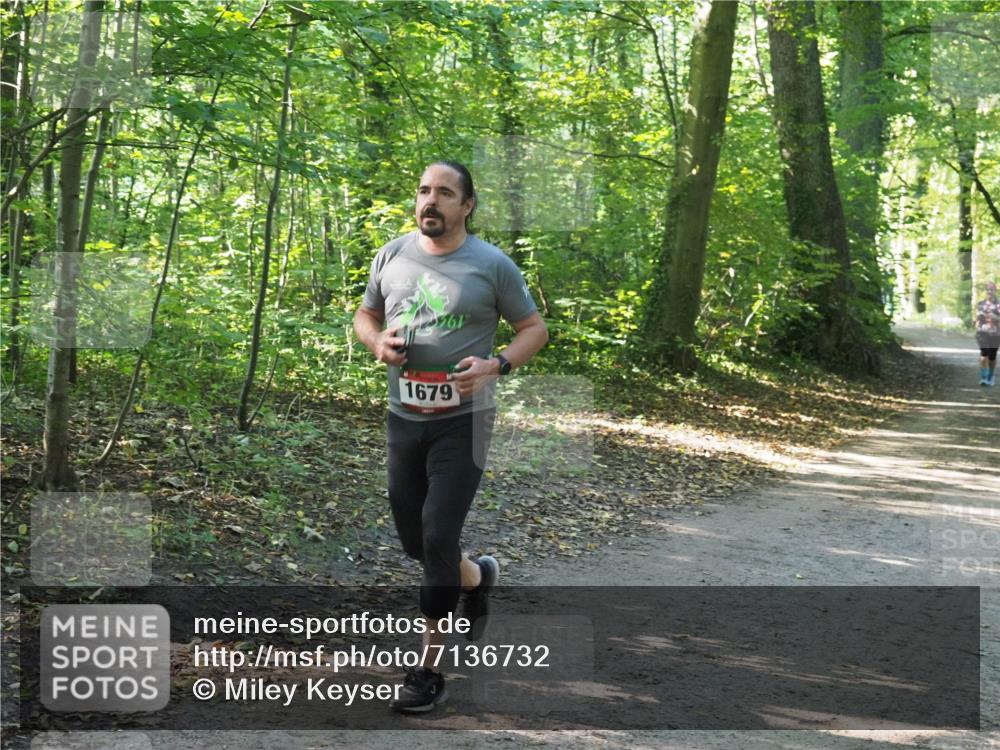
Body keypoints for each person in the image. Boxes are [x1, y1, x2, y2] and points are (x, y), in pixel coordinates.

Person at [353, 160, 548, 713]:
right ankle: (476, 577)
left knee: (438, 535)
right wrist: (376, 344)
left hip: (465, 422)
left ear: (466, 206)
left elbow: (534, 329)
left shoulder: (492, 265)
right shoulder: (391, 255)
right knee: (417, 542)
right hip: (403, 418)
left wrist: (496, 366)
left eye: (444, 193)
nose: (430, 201)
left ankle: (428, 670)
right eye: (423, 191)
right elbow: (365, 315)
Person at [976, 281, 1000, 386]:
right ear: (986, 291)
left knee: (992, 356)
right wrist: (977, 318)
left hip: (996, 333)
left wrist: (996, 318)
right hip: (982, 332)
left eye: (992, 290)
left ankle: (991, 377)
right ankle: (984, 378)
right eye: (988, 290)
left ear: (995, 291)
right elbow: (976, 317)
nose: (990, 292)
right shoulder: (980, 304)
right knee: (983, 354)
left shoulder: (999, 305)